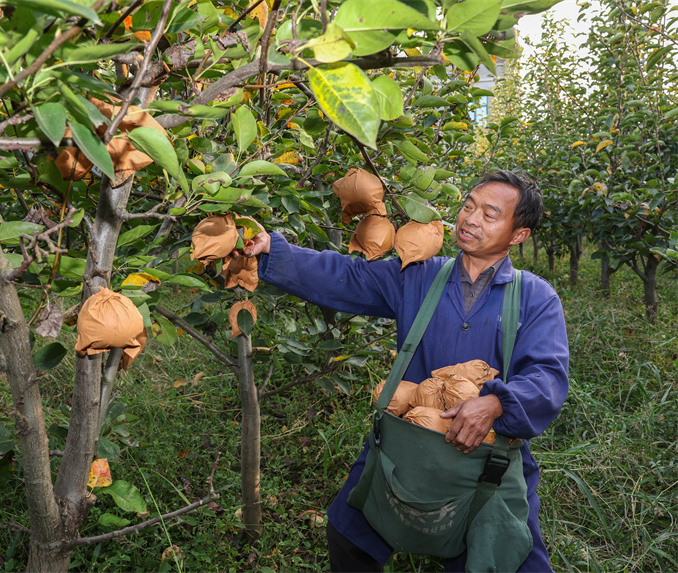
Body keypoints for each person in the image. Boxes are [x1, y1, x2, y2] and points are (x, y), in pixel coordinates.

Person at [239, 170, 569, 572]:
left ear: (518, 234)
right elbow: (349, 277)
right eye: (468, 206)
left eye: (489, 214)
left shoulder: (535, 297)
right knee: (349, 534)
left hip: (487, 457)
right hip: (408, 441)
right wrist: (272, 250)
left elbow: (548, 377)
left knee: (509, 557)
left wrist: (496, 405)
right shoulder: (420, 274)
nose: (470, 219)